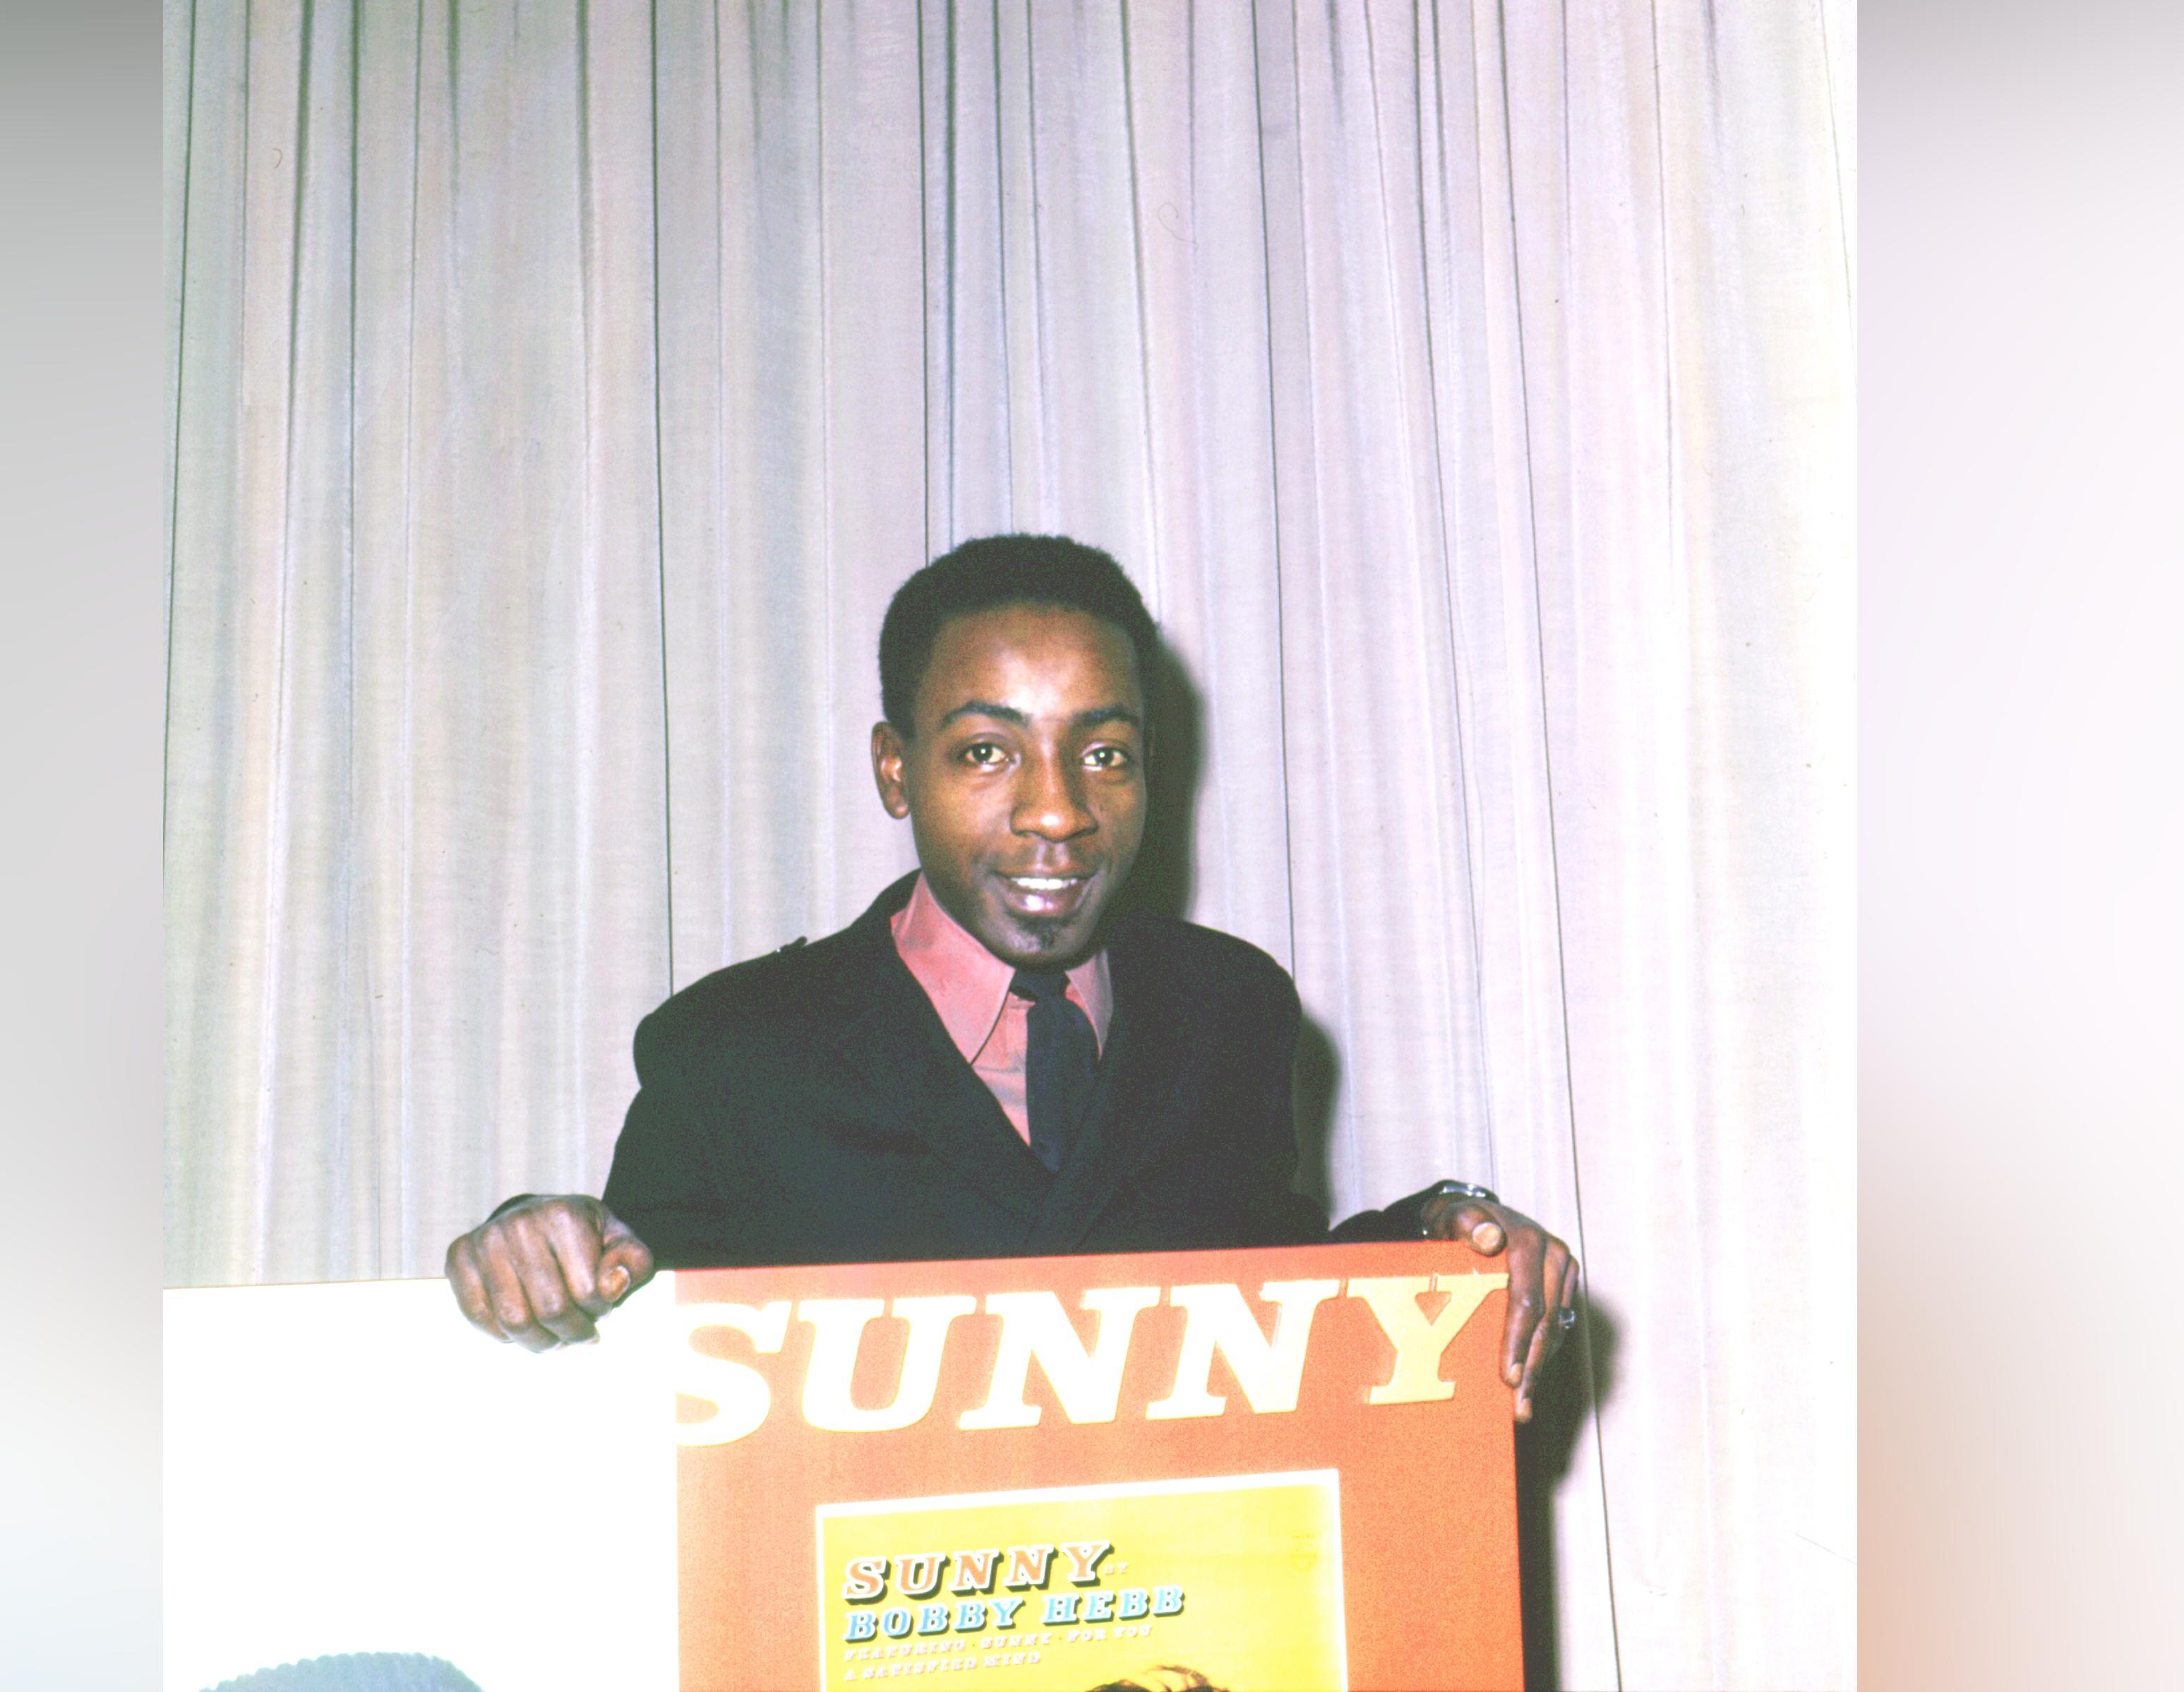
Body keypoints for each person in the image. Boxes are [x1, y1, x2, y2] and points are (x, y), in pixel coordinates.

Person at [445, 535, 1582, 1420]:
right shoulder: (732, 1050)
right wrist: (530, 1245)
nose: (1057, 809)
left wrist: (1451, 1232)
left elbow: (1267, 1301)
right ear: (897, 771)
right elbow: (619, 1315)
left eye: (1104, 752)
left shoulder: (1230, 1009)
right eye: (988, 751)